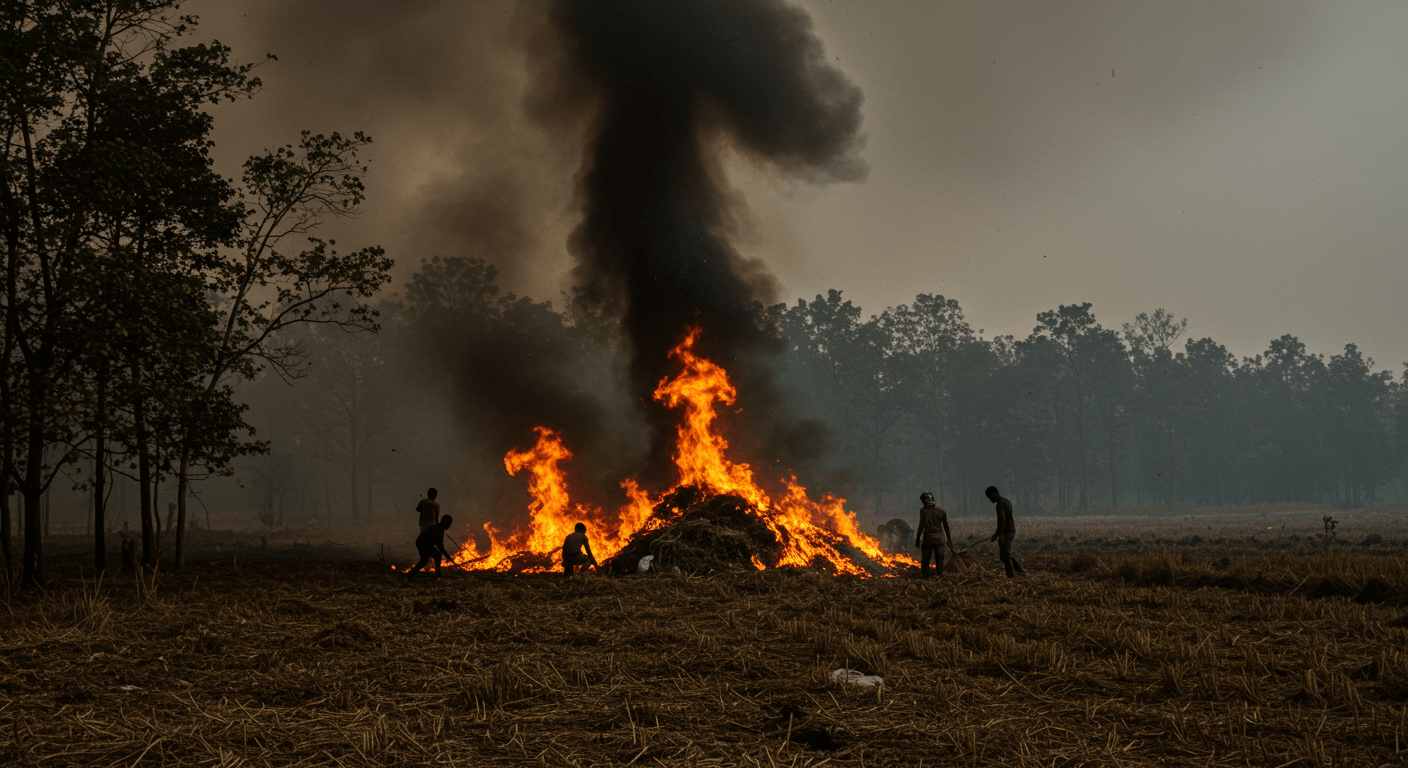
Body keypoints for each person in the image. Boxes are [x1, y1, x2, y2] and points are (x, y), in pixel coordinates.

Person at [986, 486, 1027, 577]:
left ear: (994, 494)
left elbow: (1002, 520)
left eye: (990, 497)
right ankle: (1020, 571)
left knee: (1005, 555)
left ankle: (1011, 575)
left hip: (1007, 532)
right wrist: (996, 534)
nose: (990, 500)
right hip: (1009, 530)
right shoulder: (1006, 501)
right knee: (1005, 554)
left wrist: (1000, 534)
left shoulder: (1000, 504)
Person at [913, 491, 953, 578]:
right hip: (940, 539)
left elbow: (921, 526)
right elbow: (946, 527)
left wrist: (917, 539)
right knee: (939, 560)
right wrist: (949, 540)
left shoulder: (923, 511)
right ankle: (939, 576)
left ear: (923, 501)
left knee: (925, 561)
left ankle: (925, 577)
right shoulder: (941, 511)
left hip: (928, 540)